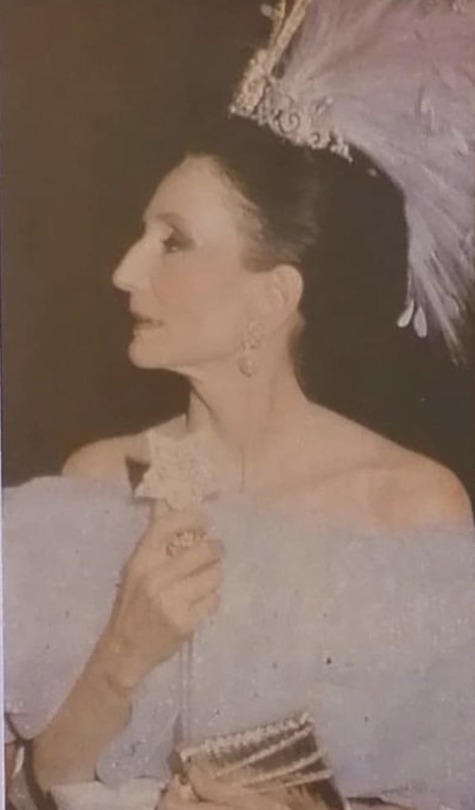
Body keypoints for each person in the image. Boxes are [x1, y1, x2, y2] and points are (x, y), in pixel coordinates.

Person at [4, 1, 475, 809]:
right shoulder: (99, 482)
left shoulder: (410, 508)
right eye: (141, 236)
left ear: (270, 300)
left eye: (172, 242)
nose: (124, 271)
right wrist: (124, 649)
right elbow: (43, 782)